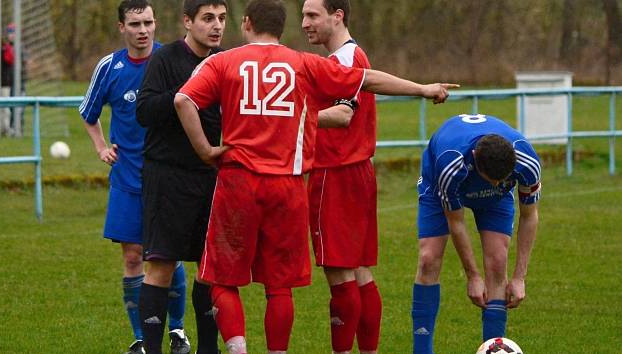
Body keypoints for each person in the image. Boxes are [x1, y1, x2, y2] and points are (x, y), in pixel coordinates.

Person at [174, 1, 457, 353]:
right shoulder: (305, 63)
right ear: (281, 28)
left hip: (240, 180)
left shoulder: (223, 61)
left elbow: (183, 100)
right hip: (288, 186)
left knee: (220, 277)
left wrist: (205, 151)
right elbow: (366, 80)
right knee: (281, 286)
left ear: (245, 23)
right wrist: (422, 88)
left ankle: (237, 347)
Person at [79, 2, 191, 353]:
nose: (142, 30)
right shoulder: (109, 67)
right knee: (132, 257)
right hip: (127, 178)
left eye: (148, 23)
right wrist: (100, 147)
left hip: (167, 175)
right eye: (135, 24)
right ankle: (141, 338)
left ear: (156, 24)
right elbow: (88, 112)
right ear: (121, 27)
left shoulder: (171, 62)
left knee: (166, 255)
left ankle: (177, 331)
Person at [135, 1, 226, 353]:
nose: (215, 26)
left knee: (209, 269)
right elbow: (144, 110)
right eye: (207, 18)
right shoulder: (166, 59)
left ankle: (208, 348)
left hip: (209, 177)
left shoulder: (225, 61)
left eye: (221, 18)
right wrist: (188, 92)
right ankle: (153, 348)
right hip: (167, 176)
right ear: (187, 22)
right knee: (161, 265)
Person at [412, 114, 541, 354]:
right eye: (490, 180)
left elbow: (529, 215)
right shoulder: (450, 164)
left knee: (497, 261)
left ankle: (493, 347)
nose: (495, 184)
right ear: (475, 159)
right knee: (429, 258)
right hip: (440, 179)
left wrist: (520, 277)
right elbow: (456, 221)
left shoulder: (527, 162)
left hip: (494, 199)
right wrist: (472, 276)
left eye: (500, 180)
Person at [301, 1, 381, 353]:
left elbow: (343, 115)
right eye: (304, 15)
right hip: (359, 171)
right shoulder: (355, 55)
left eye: (312, 15)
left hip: (335, 173)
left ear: (338, 16)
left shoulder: (342, 62)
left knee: (340, 274)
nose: (305, 23)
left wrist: (294, 114)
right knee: (360, 272)